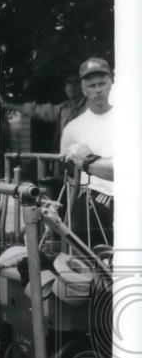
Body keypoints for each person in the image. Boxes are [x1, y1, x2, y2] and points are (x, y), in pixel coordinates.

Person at [60, 57, 114, 244]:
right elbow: (68, 177)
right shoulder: (72, 128)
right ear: (83, 89)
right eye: (92, 86)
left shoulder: (130, 118)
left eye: (102, 83)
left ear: (111, 83)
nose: (98, 90)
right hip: (91, 206)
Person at [1, 72, 85, 150]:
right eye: (69, 82)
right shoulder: (63, 108)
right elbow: (38, 110)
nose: (72, 86)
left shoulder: (89, 107)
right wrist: (7, 105)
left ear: (83, 85)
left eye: (76, 82)